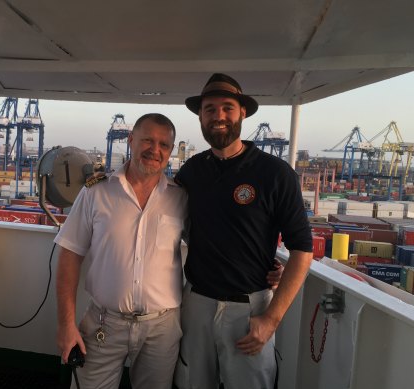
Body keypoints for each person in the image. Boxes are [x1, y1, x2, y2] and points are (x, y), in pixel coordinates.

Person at [174, 73, 313, 389]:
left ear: (243, 113)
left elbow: (302, 251)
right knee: (191, 383)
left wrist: (271, 320)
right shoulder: (191, 172)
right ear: (200, 116)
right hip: (196, 303)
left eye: (227, 108)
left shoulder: (276, 174)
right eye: (210, 109)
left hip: (250, 309)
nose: (218, 116)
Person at [55, 113, 186, 389]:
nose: (155, 149)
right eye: (147, 140)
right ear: (130, 140)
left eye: (164, 144)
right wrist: (67, 325)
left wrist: (264, 265)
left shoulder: (181, 198)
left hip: (161, 328)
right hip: (104, 324)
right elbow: (69, 257)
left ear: (171, 152)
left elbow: (213, 244)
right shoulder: (95, 192)